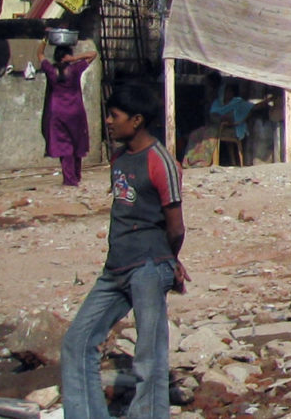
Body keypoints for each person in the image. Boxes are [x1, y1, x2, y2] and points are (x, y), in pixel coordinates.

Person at [61, 81, 187, 419]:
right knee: (77, 341)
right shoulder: (118, 159)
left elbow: (176, 227)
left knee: (149, 356)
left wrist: (169, 261)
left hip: (148, 266)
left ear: (136, 120)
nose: (108, 121)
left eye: (114, 115)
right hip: (115, 268)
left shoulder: (161, 162)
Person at [39, 43, 97, 187]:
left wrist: (44, 40)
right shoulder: (75, 69)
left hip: (57, 112)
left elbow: (39, 54)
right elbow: (93, 54)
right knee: (77, 142)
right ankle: (76, 175)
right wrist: (74, 58)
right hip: (75, 111)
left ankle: (69, 179)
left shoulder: (50, 70)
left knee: (64, 145)